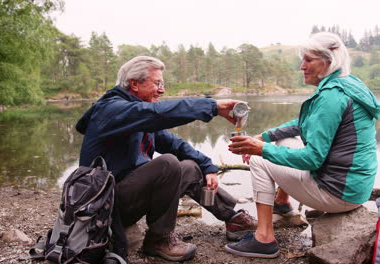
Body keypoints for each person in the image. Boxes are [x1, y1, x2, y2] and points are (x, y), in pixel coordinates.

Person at [75, 56, 257, 262]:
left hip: (128, 197)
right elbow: (158, 114)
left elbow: (174, 144)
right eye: (157, 83)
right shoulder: (111, 109)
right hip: (105, 206)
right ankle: (159, 240)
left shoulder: (139, 113)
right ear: (134, 84)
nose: (162, 90)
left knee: (190, 166)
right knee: (167, 164)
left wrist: (208, 166)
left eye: (163, 84)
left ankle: (233, 219)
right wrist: (212, 107)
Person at [225, 32, 380, 258]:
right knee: (284, 142)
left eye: (309, 60)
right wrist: (265, 137)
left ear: (328, 62)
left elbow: (312, 159)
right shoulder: (348, 84)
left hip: (338, 193)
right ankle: (282, 205)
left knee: (260, 160)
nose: (302, 66)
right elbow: (305, 123)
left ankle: (264, 239)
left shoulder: (332, 96)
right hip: (356, 186)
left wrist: (260, 149)